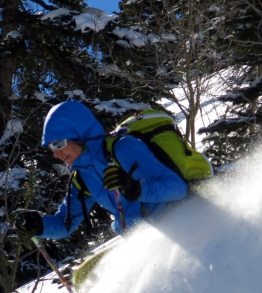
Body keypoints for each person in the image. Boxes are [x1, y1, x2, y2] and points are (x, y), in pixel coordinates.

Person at [14, 101, 187, 239]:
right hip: (144, 238)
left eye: (59, 144)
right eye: (52, 148)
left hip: (179, 222)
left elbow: (177, 188)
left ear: (80, 136)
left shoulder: (123, 149)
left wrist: (136, 189)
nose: (56, 154)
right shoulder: (82, 179)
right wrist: (39, 226)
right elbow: (65, 223)